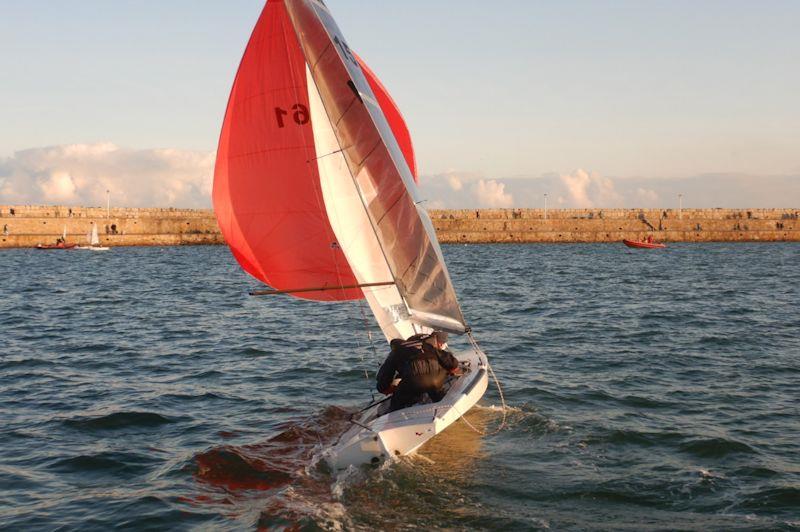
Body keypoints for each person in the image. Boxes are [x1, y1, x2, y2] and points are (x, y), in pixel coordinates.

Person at [376, 331, 460, 413]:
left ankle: (394, 418)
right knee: (434, 388)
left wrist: (388, 389)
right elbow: (454, 365)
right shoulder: (427, 346)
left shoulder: (395, 352)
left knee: (398, 401)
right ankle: (446, 409)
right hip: (436, 380)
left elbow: (384, 378)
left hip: (414, 381)